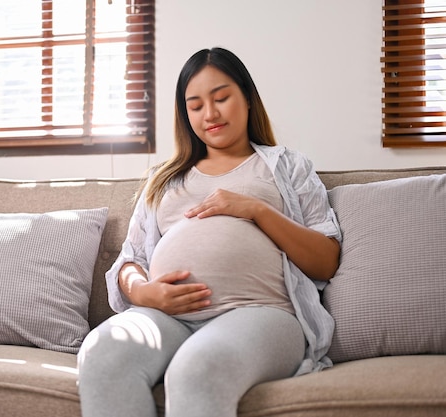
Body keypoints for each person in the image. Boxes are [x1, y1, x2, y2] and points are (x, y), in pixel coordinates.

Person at [77, 47, 342, 417]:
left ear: (247, 99)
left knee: (197, 369)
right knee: (102, 353)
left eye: (221, 98)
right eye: (196, 105)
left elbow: (326, 260)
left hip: (261, 314)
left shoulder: (287, 166)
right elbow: (131, 260)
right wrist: (145, 291)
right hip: (168, 319)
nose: (210, 114)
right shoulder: (164, 179)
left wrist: (255, 209)